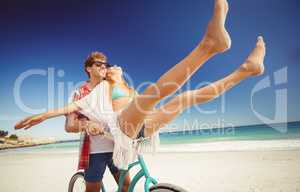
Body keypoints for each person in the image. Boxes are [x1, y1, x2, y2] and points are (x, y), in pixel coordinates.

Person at [15, 0, 266, 169]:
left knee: (185, 98)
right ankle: (208, 46)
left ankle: (245, 71)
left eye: (109, 64)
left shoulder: (126, 86)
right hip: (123, 128)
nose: (107, 67)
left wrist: (123, 82)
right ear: (93, 70)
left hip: (142, 127)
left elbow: (141, 104)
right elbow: (68, 109)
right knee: (150, 95)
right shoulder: (98, 90)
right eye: (102, 66)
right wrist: (42, 115)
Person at [65, 52, 130, 192]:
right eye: (98, 64)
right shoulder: (79, 93)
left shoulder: (112, 88)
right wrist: (87, 124)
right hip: (95, 152)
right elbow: (69, 126)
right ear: (88, 68)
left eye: (105, 65)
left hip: (117, 146)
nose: (103, 67)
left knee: (127, 188)